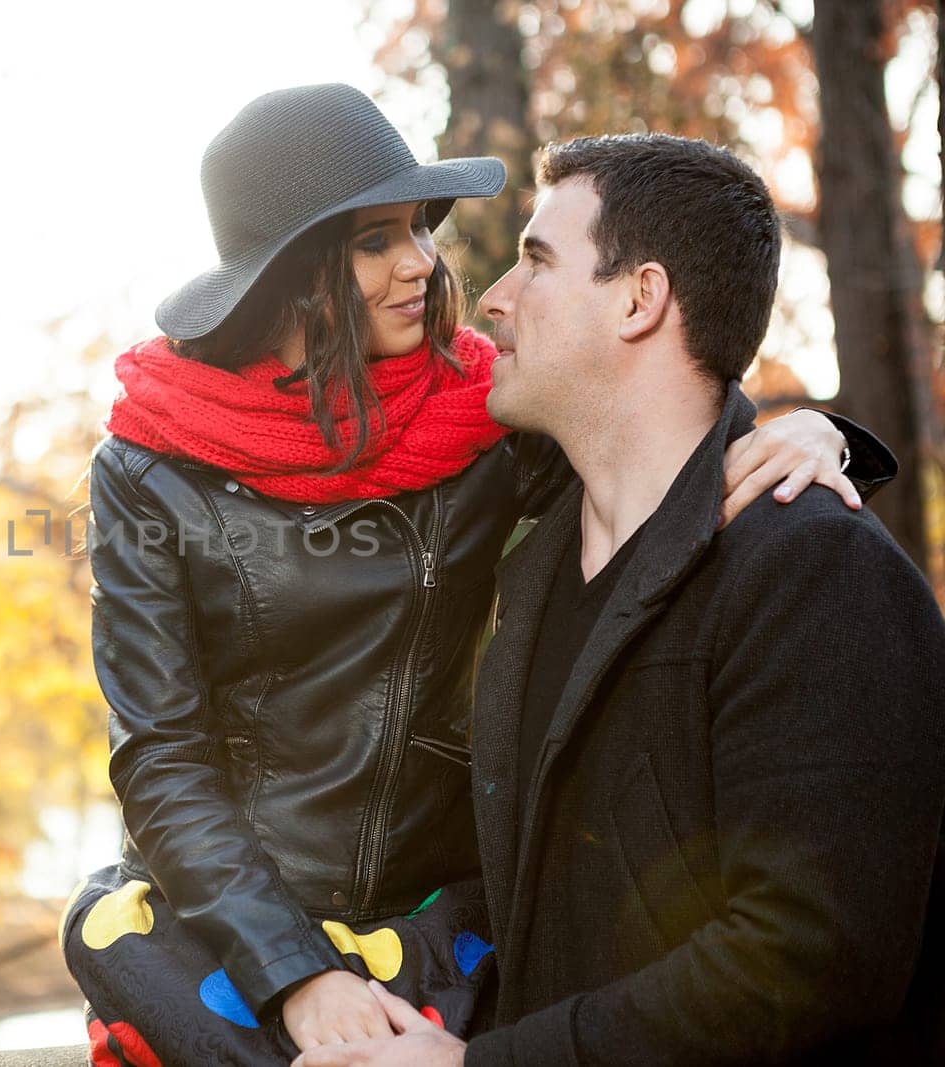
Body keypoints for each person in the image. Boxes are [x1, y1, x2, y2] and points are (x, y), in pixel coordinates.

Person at [63, 86, 888, 1067]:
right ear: (289, 272)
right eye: (375, 239)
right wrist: (295, 972)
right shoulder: (148, 467)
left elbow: (647, 420)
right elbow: (160, 751)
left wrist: (807, 428)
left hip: (444, 910)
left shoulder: (486, 421)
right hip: (232, 920)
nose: (422, 261)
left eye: (417, 227)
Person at [292, 134, 944, 1067]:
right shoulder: (529, 561)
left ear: (641, 299)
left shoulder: (815, 572)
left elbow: (811, 956)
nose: (491, 299)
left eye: (537, 261)